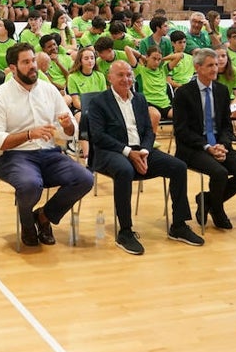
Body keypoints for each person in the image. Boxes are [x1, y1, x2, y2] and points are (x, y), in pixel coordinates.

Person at [86, 61, 204, 254]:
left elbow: (149, 131)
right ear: (110, 78)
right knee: (124, 170)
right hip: (111, 152)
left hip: (140, 150)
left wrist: (145, 151)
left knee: (179, 166)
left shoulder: (139, 99)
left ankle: (179, 225)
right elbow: (99, 137)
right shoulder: (99, 102)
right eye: (120, 75)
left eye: (129, 75)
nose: (126, 79)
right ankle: (125, 231)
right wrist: (128, 152)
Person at [0, 43, 91, 249]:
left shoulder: (49, 90)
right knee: (31, 184)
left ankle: (44, 216)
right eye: (26, 62)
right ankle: (27, 224)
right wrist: (28, 135)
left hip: (49, 154)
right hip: (14, 156)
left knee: (84, 178)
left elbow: (69, 132)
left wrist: (68, 126)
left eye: (33, 60)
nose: (33, 66)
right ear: (13, 68)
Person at [171, 48, 236, 229]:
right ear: (198, 67)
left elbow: (225, 125)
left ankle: (208, 199)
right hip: (192, 147)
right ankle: (218, 210)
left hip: (219, 143)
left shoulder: (222, 91)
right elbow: (181, 130)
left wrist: (223, 145)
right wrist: (206, 147)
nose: (215, 69)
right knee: (220, 173)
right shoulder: (184, 93)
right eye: (210, 65)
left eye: (216, 65)